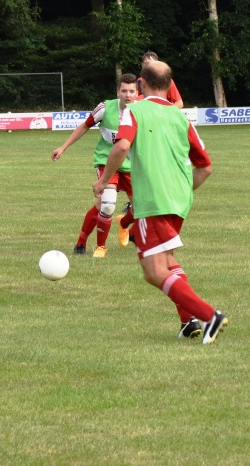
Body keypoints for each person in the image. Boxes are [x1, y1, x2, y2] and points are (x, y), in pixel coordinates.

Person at [94, 60, 227, 344]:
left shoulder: (134, 110)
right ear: (169, 85)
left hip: (153, 201)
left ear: (141, 84)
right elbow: (205, 168)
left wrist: (104, 180)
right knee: (166, 262)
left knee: (153, 271)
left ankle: (209, 316)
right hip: (180, 201)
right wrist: (180, 192)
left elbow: (122, 145)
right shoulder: (181, 118)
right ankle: (188, 321)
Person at [51, 74, 139, 258]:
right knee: (107, 205)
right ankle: (99, 247)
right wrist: (63, 147)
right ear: (118, 92)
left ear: (137, 93)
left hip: (132, 165)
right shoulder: (105, 108)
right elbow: (84, 126)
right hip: (106, 162)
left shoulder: (142, 112)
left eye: (131, 91)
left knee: (141, 208)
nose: (128, 95)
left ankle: (122, 223)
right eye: (124, 91)